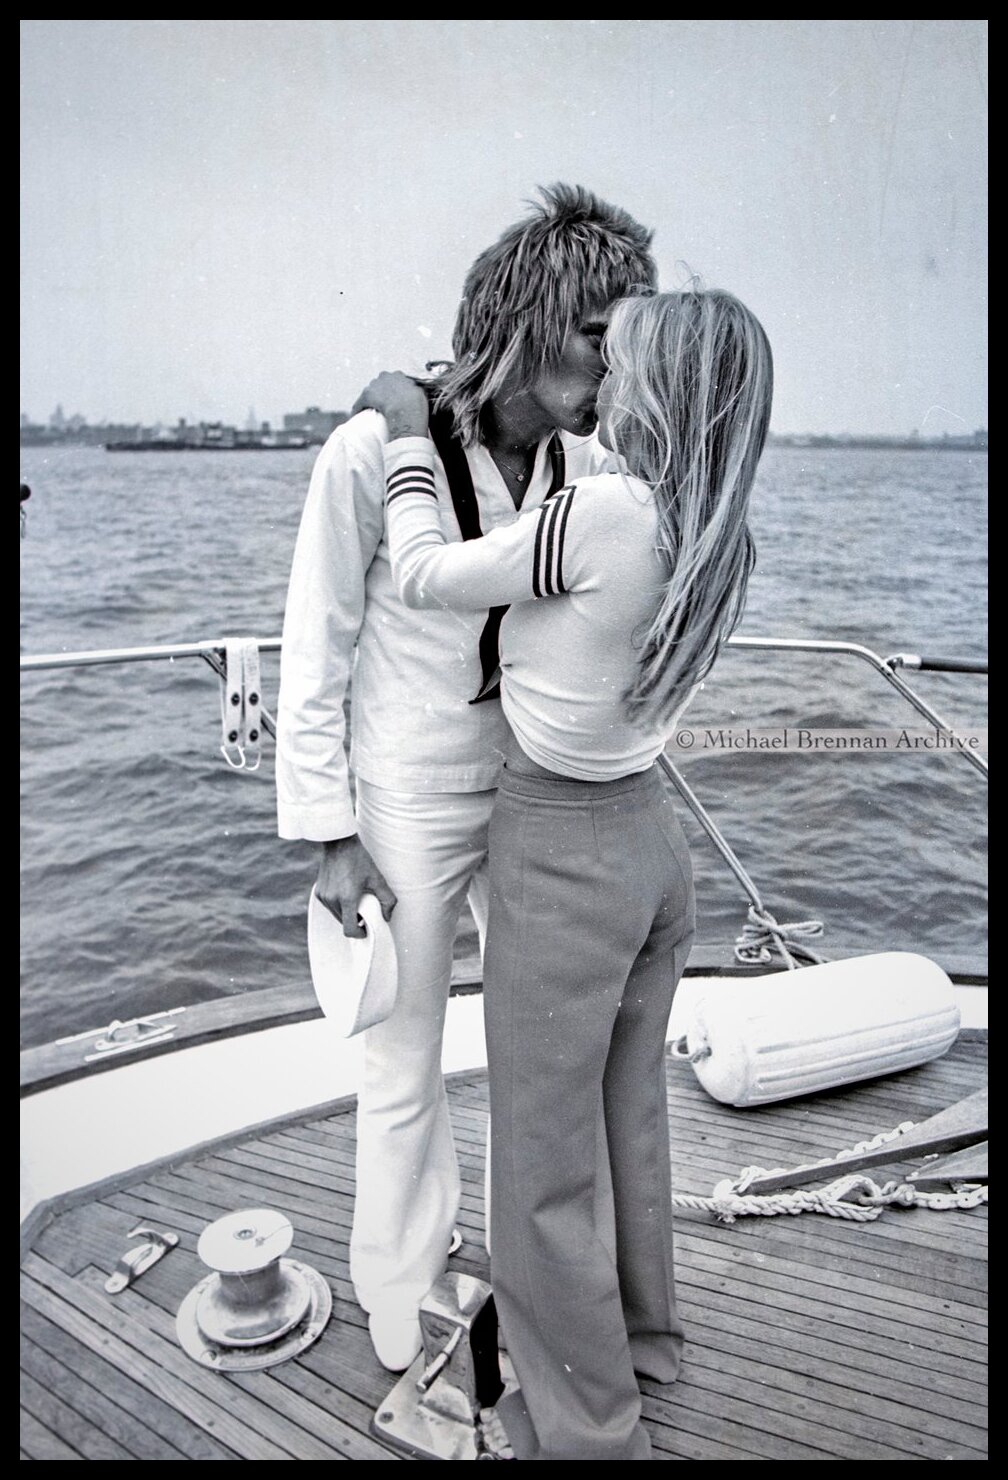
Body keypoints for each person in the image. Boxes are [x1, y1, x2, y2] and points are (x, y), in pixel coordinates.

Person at [361, 285, 773, 1459]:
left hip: (561, 847)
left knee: (540, 1165)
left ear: (659, 390)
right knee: (629, 1120)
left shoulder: (599, 514)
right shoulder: (717, 531)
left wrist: (405, 439)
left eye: (621, 361)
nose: (603, 382)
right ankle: (644, 1341)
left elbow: (432, 576)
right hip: (652, 849)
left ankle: (587, 1426)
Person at [274, 184, 658, 1373]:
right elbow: (316, 638)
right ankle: (400, 1280)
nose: (614, 363)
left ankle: (540, 1281)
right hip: (406, 798)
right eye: (601, 333)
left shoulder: (586, 463)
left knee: (545, 1061)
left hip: (534, 796)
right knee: (404, 1058)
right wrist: (331, 835)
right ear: (533, 317)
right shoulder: (367, 449)